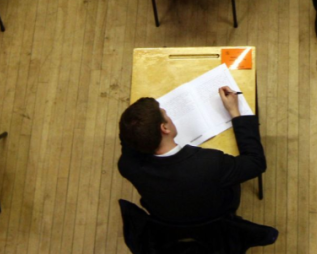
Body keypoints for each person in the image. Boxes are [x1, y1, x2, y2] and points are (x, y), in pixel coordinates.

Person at [117, 89, 277, 249]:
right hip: (218, 214)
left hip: (169, 222)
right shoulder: (209, 164)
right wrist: (235, 112)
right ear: (164, 128)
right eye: (165, 114)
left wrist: (138, 125)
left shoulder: (128, 166)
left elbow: (126, 140)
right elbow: (255, 163)